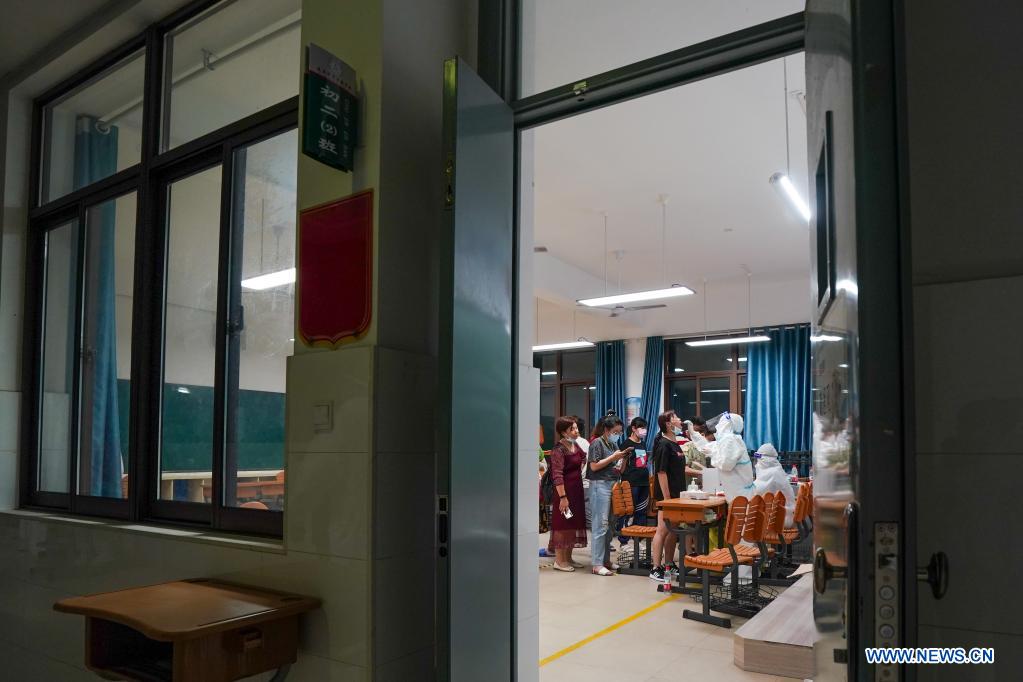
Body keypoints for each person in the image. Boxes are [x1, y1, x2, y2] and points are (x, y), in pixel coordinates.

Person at [585, 411, 631, 576]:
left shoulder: (613, 445)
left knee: (610, 525)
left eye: (619, 432)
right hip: (600, 486)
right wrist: (614, 457)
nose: (617, 435)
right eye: (615, 432)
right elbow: (594, 467)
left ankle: (605, 560)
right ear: (606, 430)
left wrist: (624, 458)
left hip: (613, 484)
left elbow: (619, 470)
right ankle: (596, 563)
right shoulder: (597, 443)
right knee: (600, 525)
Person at [547, 416, 587, 571]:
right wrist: (563, 497)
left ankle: (568, 558)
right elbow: (557, 475)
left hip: (576, 490)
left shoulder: (575, 445)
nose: (576, 431)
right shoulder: (558, 449)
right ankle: (559, 561)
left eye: (576, 428)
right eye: (573, 429)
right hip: (564, 492)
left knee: (572, 524)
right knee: (562, 525)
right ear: (563, 432)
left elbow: (583, 457)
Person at [650, 410, 686, 582]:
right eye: (676, 418)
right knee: (662, 531)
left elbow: (679, 469)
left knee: (672, 531)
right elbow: (661, 472)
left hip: (677, 495)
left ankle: (669, 564)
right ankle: (655, 567)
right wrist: (666, 498)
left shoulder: (675, 443)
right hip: (667, 496)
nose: (680, 420)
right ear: (668, 424)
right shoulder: (664, 444)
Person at [689, 412, 755, 502]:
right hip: (740, 492)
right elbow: (708, 447)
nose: (718, 425)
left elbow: (726, 465)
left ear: (726, 423)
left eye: (721, 422)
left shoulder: (729, 440)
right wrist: (695, 435)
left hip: (739, 496)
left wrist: (714, 454)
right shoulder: (733, 439)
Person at [616, 417, 650, 547]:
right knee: (627, 511)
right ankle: (623, 541)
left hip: (644, 482)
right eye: (641, 427)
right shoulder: (626, 444)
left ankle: (638, 539)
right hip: (630, 482)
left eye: (645, 427)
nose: (643, 430)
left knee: (641, 511)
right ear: (633, 429)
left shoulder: (643, 443)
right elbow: (621, 467)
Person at [753, 443, 796, 526]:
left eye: (759, 458)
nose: (757, 463)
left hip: (779, 520)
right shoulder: (777, 470)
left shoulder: (772, 473)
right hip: (784, 515)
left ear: (764, 459)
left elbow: (756, 491)